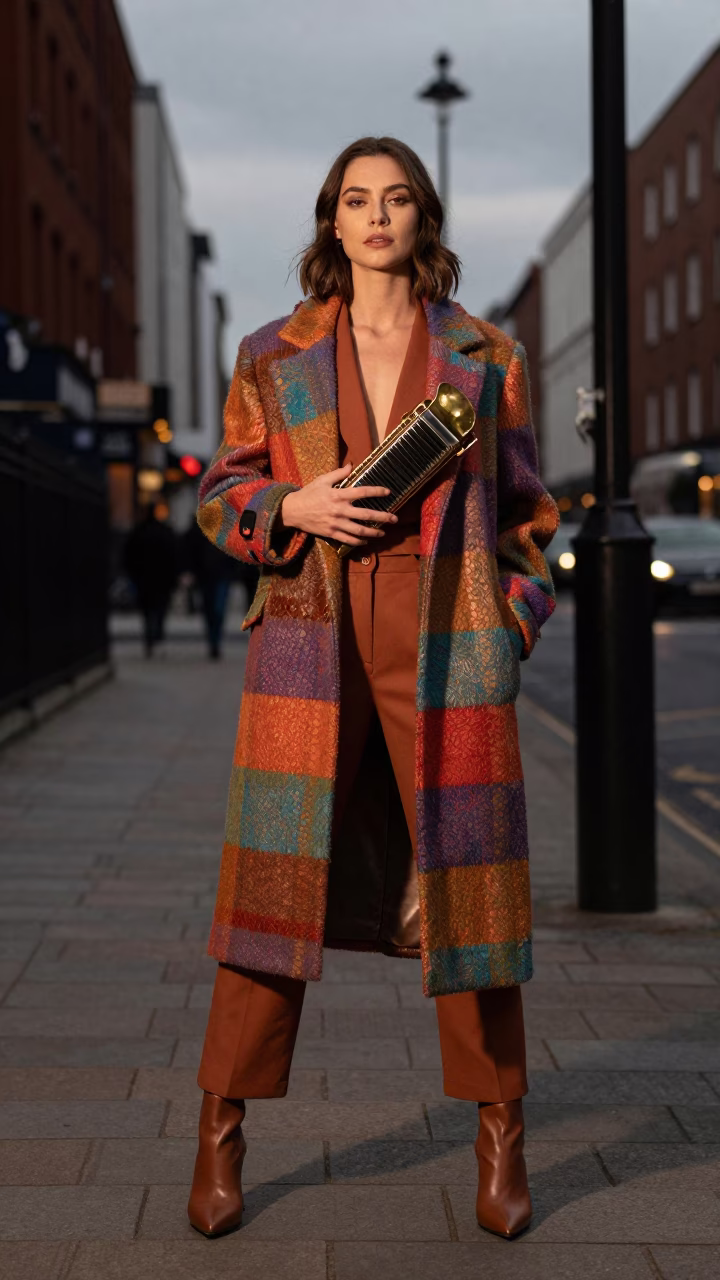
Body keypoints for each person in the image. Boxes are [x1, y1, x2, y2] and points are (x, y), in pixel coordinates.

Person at [187, 136, 559, 1240]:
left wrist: (510, 628)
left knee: (472, 895)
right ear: (332, 222)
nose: (378, 215)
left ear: (422, 217)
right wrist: (288, 510)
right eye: (358, 199)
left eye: (397, 198)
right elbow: (221, 494)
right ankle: (219, 1131)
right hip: (311, 633)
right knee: (270, 893)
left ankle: (500, 1134)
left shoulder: (487, 355)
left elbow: (535, 522)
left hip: (446, 639)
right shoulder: (272, 351)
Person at [181, 519, 258, 659]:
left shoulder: (225, 528)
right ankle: (212, 640)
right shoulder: (201, 528)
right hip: (206, 576)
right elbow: (190, 550)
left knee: (217, 609)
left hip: (221, 575)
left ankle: (215, 640)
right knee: (210, 609)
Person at [123, 505, 178, 657]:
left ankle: (150, 639)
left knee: (147, 612)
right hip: (162, 580)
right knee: (160, 611)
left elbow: (129, 557)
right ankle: (157, 637)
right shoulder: (165, 533)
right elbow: (174, 557)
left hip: (144, 579)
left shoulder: (138, 533)